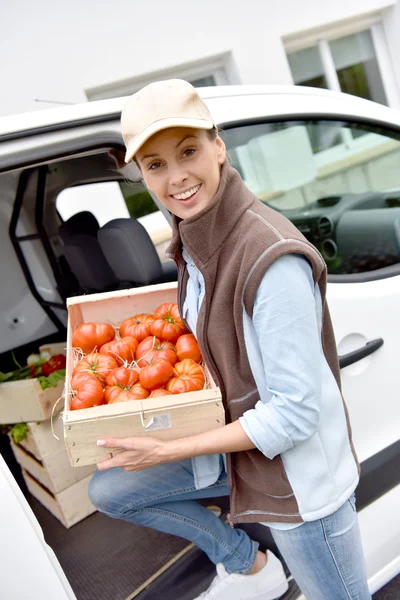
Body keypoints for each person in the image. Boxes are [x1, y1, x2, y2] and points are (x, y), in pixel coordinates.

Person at [88, 79, 371, 600]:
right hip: (239, 451)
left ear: (219, 146)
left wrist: (168, 447)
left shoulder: (270, 257)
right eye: (155, 165)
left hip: (299, 480)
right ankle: (246, 561)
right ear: (142, 176)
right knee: (112, 488)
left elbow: (293, 415)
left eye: (188, 151)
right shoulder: (195, 244)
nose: (176, 178)